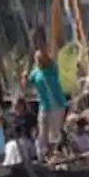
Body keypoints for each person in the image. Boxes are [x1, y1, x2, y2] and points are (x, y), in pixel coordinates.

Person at [24, 28, 67, 159]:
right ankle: (44, 156)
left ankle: (54, 155)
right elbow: (26, 85)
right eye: (37, 58)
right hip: (44, 106)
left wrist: (39, 40)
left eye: (41, 58)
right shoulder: (35, 73)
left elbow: (44, 51)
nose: (39, 59)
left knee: (54, 134)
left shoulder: (52, 68)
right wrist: (24, 77)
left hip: (57, 104)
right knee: (43, 133)